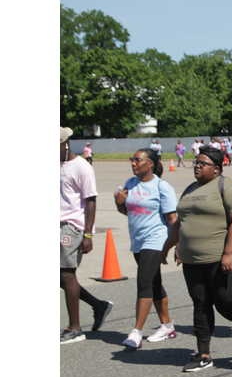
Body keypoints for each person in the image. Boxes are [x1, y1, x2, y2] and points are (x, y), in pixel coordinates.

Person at [160, 146, 232, 372]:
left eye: (203, 163)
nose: (197, 166)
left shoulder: (227, 187)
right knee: (200, 303)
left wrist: (228, 253)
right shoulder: (190, 189)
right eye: (196, 163)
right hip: (192, 260)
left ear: (216, 169)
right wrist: (168, 247)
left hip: (222, 258)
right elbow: (181, 222)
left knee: (226, 304)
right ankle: (204, 354)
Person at [114, 148, 177, 348]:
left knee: (144, 283)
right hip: (138, 241)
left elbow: (172, 219)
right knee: (154, 283)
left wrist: (176, 245)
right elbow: (129, 211)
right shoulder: (130, 184)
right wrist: (119, 204)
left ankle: (136, 332)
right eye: (132, 159)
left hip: (156, 239)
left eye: (137, 160)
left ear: (150, 164)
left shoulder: (162, 187)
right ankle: (167, 326)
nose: (133, 163)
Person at [60, 127, 113, 344]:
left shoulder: (81, 167)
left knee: (66, 274)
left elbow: (91, 200)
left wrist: (88, 235)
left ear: (65, 144)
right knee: (60, 277)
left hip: (72, 226)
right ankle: (99, 306)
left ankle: (75, 328)